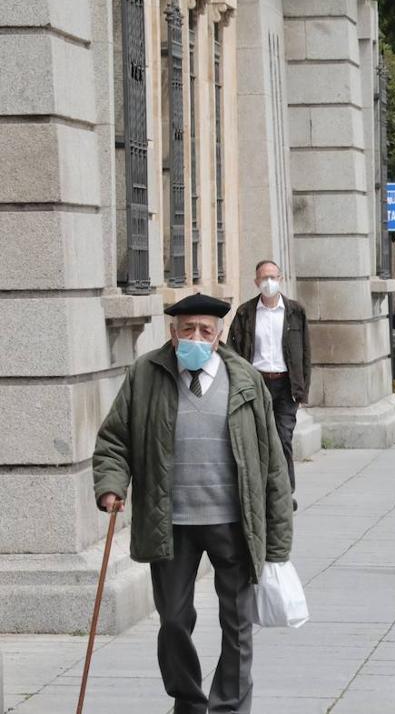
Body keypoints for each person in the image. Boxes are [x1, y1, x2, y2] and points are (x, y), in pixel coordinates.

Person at [93, 293, 293, 713]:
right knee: (173, 621)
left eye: (205, 330)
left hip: (233, 521)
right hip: (170, 521)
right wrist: (112, 486)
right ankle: (188, 700)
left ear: (219, 336)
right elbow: (114, 439)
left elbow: (271, 458)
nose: (196, 338)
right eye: (188, 330)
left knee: (237, 624)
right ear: (173, 332)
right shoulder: (145, 374)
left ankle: (229, 705)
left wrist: (277, 537)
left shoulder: (245, 379)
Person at [227, 260, 311, 509]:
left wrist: (302, 389)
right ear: (256, 282)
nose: (269, 282)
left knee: (283, 436)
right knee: (258, 437)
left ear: (280, 278)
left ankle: (285, 492)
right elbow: (233, 350)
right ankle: (261, 491)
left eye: (273, 277)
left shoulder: (296, 311)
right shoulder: (245, 312)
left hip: (286, 385)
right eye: (264, 278)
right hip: (257, 382)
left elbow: (305, 352)